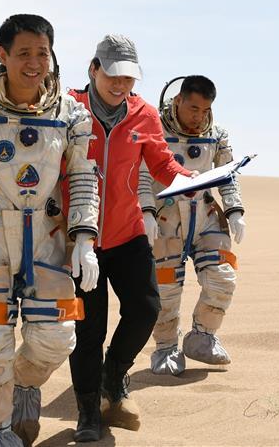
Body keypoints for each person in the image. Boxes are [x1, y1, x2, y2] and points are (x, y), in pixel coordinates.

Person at [0, 14, 100, 447]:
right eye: (23, 53)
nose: (33, 63)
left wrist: (85, 238)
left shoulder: (70, 113)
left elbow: (84, 177)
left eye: (41, 53)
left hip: (47, 237)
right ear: (2, 55)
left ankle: (24, 385)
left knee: (57, 337)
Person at [66, 35, 194, 442]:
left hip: (127, 232)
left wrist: (193, 180)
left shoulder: (144, 114)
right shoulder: (69, 107)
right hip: (76, 238)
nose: (121, 86)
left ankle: (114, 376)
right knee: (88, 328)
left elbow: (162, 163)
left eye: (129, 78)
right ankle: (88, 411)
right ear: (94, 69)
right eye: (113, 76)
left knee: (145, 309)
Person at [139, 75, 246, 377]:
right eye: (193, 109)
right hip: (166, 220)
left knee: (222, 278)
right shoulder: (155, 131)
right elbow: (142, 175)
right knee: (166, 289)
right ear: (178, 101)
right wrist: (146, 211)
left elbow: (228, 175)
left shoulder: (217, 135)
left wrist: (235, 210)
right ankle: (166, 347)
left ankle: (202, 336)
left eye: (205, 110)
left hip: (205, 217)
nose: (199, 117)